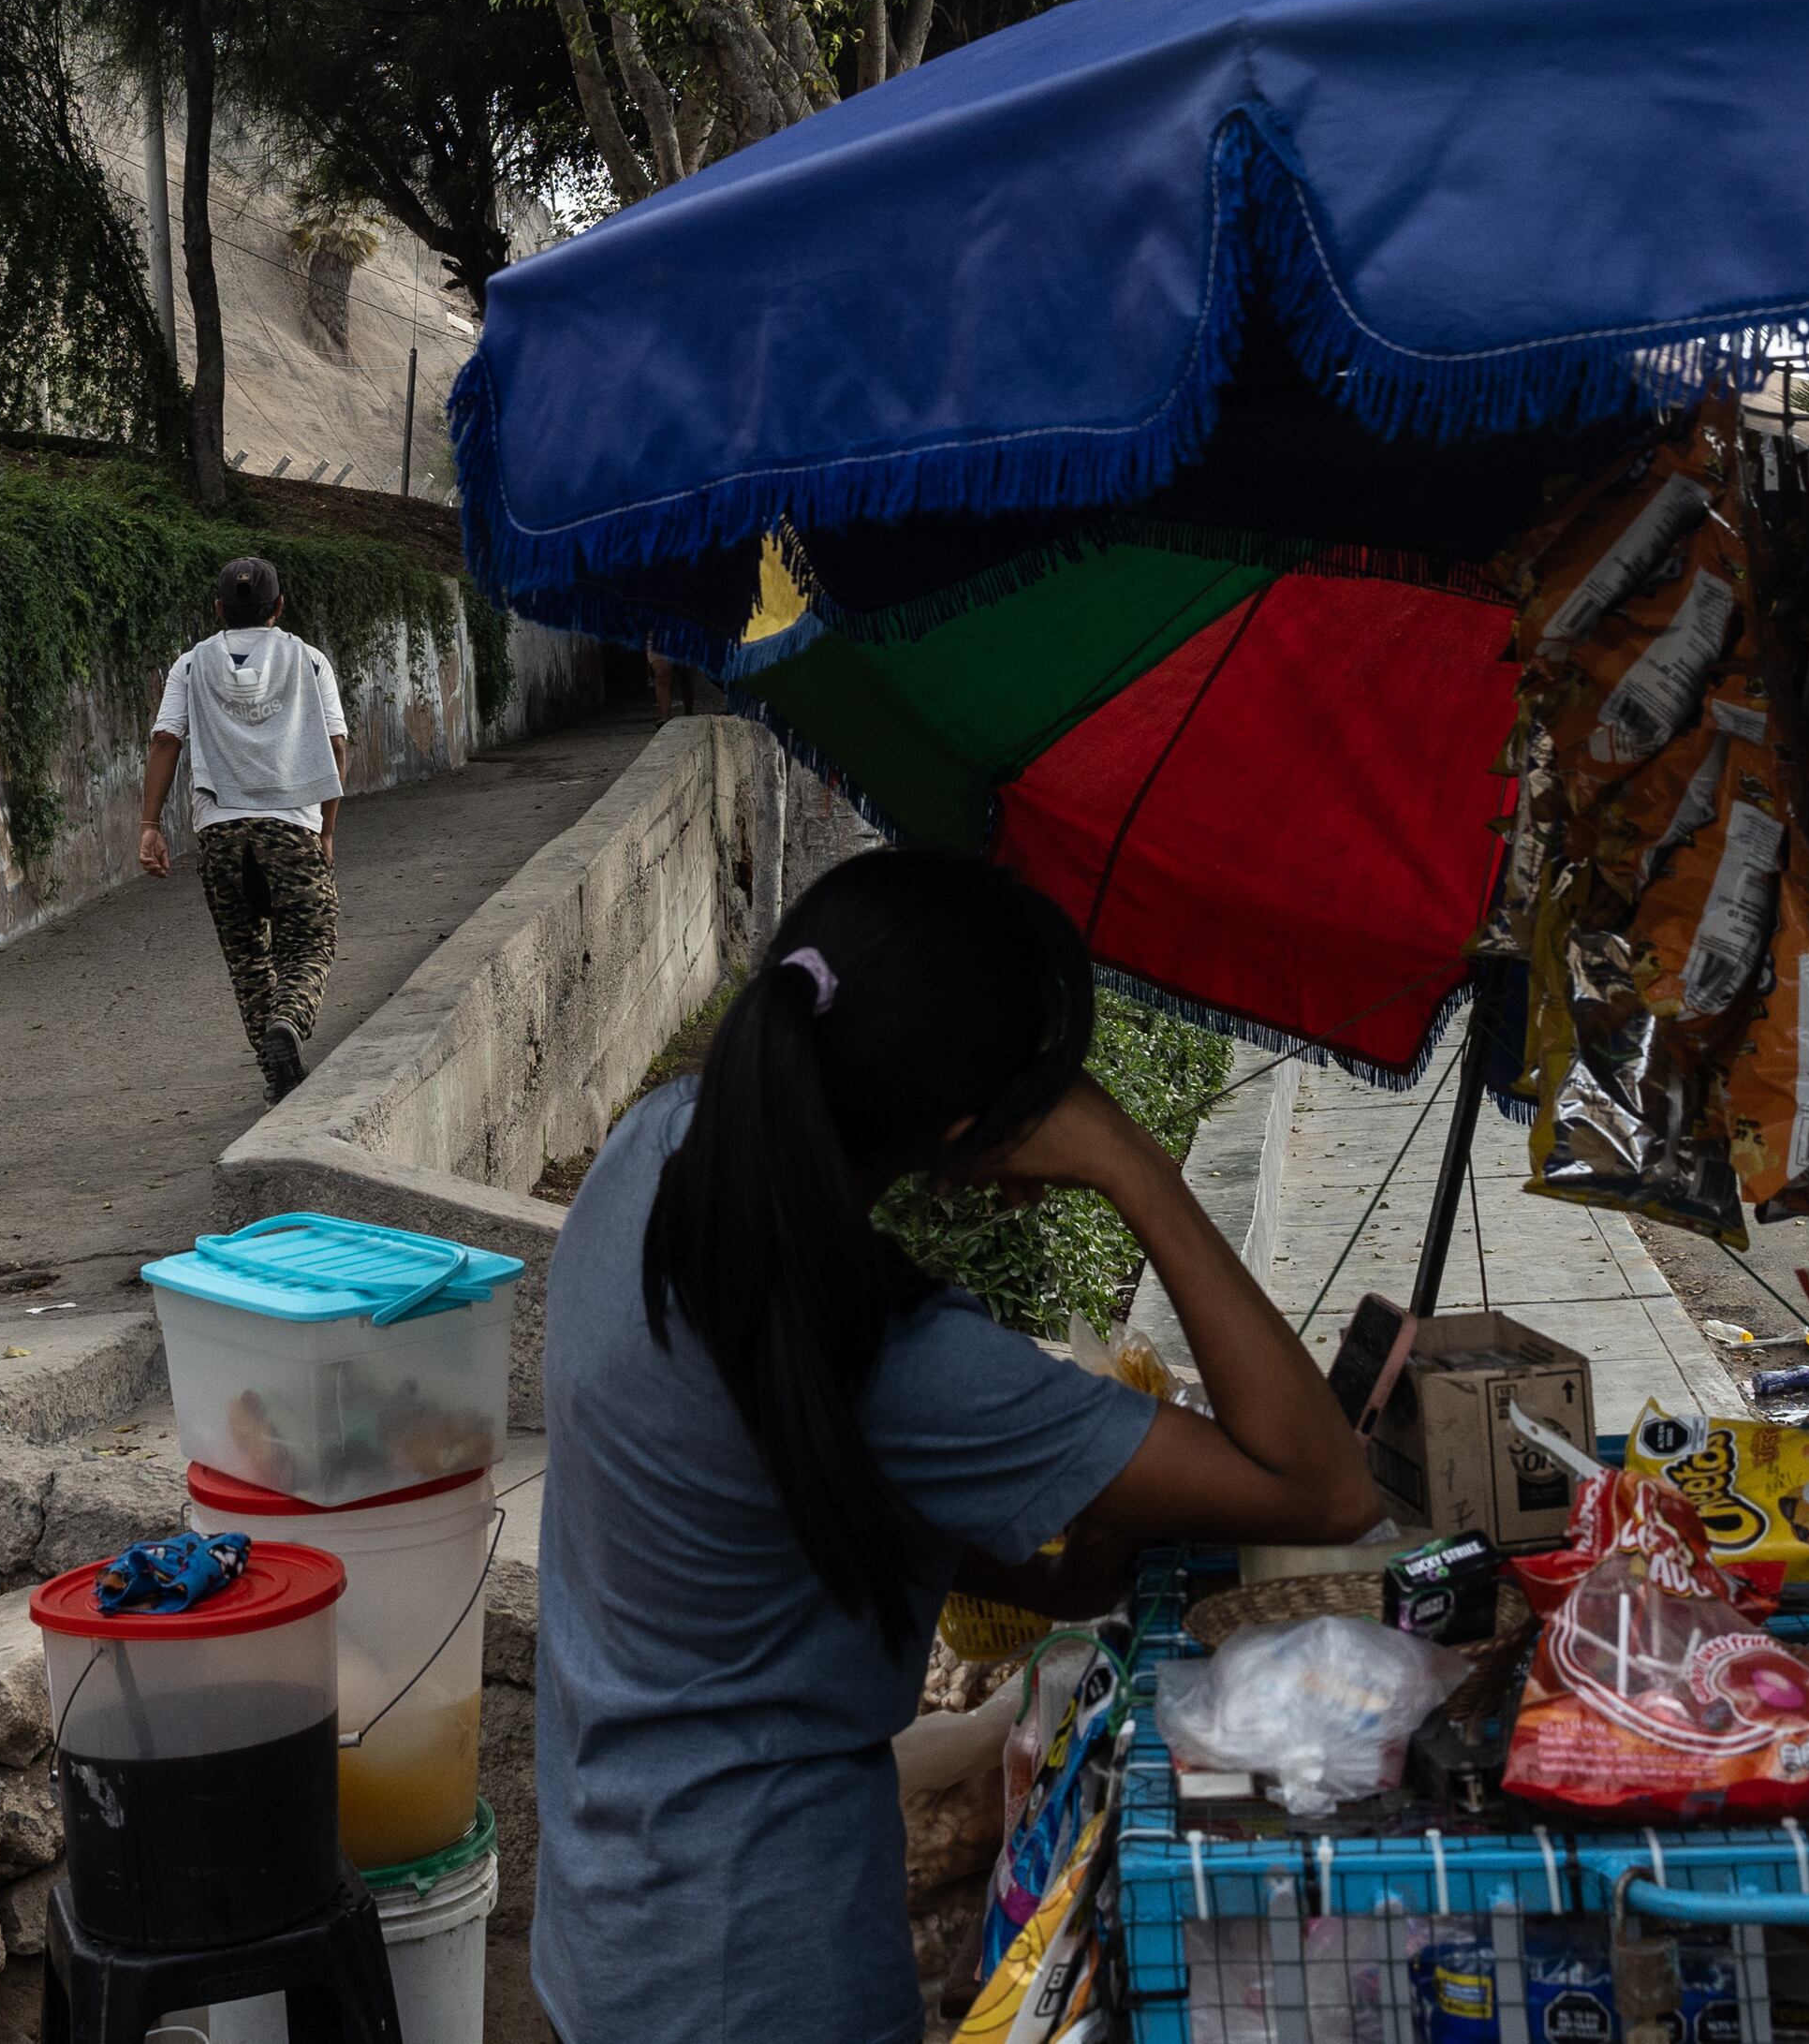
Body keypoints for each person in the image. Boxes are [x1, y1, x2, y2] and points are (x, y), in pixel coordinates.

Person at [536, 849, 1384, 2044]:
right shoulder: (903, 1364)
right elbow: (1323, 1484)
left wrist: (1035, 1581)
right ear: (967, 1131)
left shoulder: (656, 1155)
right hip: (766, 1971)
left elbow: (753, 1487)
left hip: (613, 1922)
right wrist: (1132, 1167)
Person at [136, 555, 351, 1100]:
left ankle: (276, 1075)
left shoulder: (190, 665)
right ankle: (289, 1023)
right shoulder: (309, 659)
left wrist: (149, 824)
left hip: (220, 833)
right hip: (292, 827)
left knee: (248, 959)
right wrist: (326, 831)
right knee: (310, 941)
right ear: (278, 607)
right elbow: (336, 746)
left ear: (218, 609)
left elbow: (166, 741)